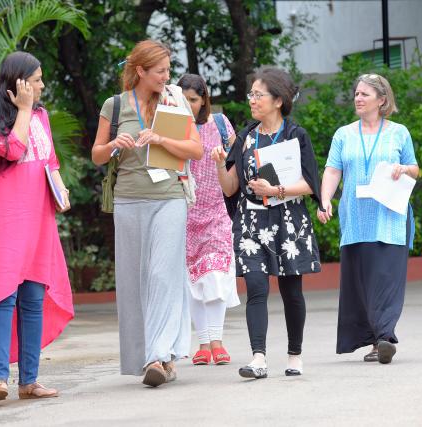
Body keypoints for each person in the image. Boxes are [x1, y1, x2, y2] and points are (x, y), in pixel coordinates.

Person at [91, 40, 203, 387]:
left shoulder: (174, 100)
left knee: (162, 275)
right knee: (135, 280)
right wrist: (112, 146)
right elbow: (95, 155)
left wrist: (161, 140)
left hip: (169, 196)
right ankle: (158, 358)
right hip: (128, 201)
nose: (166, 77)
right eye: (160, 71)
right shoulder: (115, 105)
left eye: (168, 70)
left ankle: (159, 353)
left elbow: (195, 150)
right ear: (139, 71)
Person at [0, 51, 74, 401]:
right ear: (19, 83)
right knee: (3, 295)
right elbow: (12, 151)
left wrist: (60, 190)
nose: (43, 85)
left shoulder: (42, 117)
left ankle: (29, 381)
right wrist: (25, 111)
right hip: (2, 219)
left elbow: (51, 162)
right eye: (37, 79)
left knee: (32, 297)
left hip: (38, 218)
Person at [212, 68, 323, 379]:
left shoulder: (295, 135)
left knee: (291, 290)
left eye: (258, 95)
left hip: (288, 218)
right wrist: (221, 163)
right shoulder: (246, 137)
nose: (252, 100)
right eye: (251, 95)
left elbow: (311, 183)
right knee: (256, 288)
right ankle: (258, 357)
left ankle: (295, 355)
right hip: (251, 219)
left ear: (278, 100)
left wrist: (276, 191)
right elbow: (231, 187)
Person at [317, 73, 419, 364]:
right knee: (361, 282)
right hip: (356, 219)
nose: (358, 99)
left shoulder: (399, 133)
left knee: (386, 278)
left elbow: (416, 169)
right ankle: (375, 340)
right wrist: (325, 199)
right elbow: (333, 170)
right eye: (356, 94)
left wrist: (404, 169)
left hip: (390, 218)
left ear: (382, 100)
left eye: (365, 94)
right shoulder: (343, 134)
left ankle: (385, 336)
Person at [176, 74, 240, 366]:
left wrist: (224, 158)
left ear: (203, 100)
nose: (189, 105)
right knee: (193, 281)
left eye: (193, 99)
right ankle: (202, 342)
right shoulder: (172, 127)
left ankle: (217, 340)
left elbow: (239, 157)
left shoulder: (220, 124)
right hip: (184, 210)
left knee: (215, 275)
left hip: (217, 208)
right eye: (184, 99)